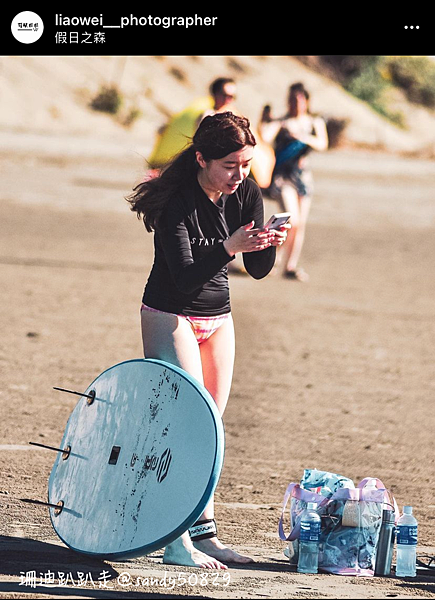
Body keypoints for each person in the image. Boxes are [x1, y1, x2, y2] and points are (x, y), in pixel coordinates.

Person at [126, 112, 289, 569]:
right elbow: (182, 277)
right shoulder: (176, 201)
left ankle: (205, 535)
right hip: (170, 314)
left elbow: (256, 270)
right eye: (231, 165)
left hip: (218, 319)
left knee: (211, 431)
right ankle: (176, 544)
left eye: (247, 163)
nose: (241, 174)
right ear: (202, 158)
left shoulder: (247, 192)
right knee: (188, 428)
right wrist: (230, 247)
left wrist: (268, 242)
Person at [259, 82, 328, 281]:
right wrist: (264, 120)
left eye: (299, 99)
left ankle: (290, 265)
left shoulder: (313, 122)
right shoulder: (282, 122)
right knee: (291, 219)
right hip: (283, 177)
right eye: (292, 99)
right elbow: (265, 136)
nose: (295, 104)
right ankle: (272, 257)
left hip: (303, 177)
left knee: (300, 224)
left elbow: (322, 144)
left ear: (306, 101)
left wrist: (303, 137)